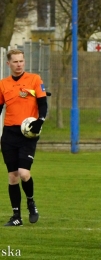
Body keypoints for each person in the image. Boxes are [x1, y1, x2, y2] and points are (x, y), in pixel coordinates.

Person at [0, 49, 48, 226]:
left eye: (21, 61)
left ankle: (31, 202)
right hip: (9, 134)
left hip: (28, 133)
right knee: (12, 176)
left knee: (24, 173)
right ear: (8, 64)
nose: (19, 64)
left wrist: (40, 121)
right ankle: (16, 217)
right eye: (15, 62)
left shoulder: (34, 79)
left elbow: (43, 104)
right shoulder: (3, 84)